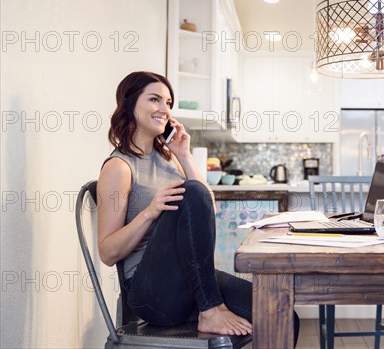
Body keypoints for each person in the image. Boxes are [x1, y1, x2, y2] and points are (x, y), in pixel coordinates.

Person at [97, 71, 300, 341]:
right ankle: (211, 308)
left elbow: (206, 207)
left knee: (281, 313)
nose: (165, 109)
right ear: (129, 103)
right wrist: (150, 212)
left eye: (169, 102)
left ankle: (209, 306)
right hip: (151, 294)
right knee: (192, 190)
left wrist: (184, 155)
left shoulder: (169, 159)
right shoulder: (119, 167)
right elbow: (107, 252)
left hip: (191, 283)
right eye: (155, 99)